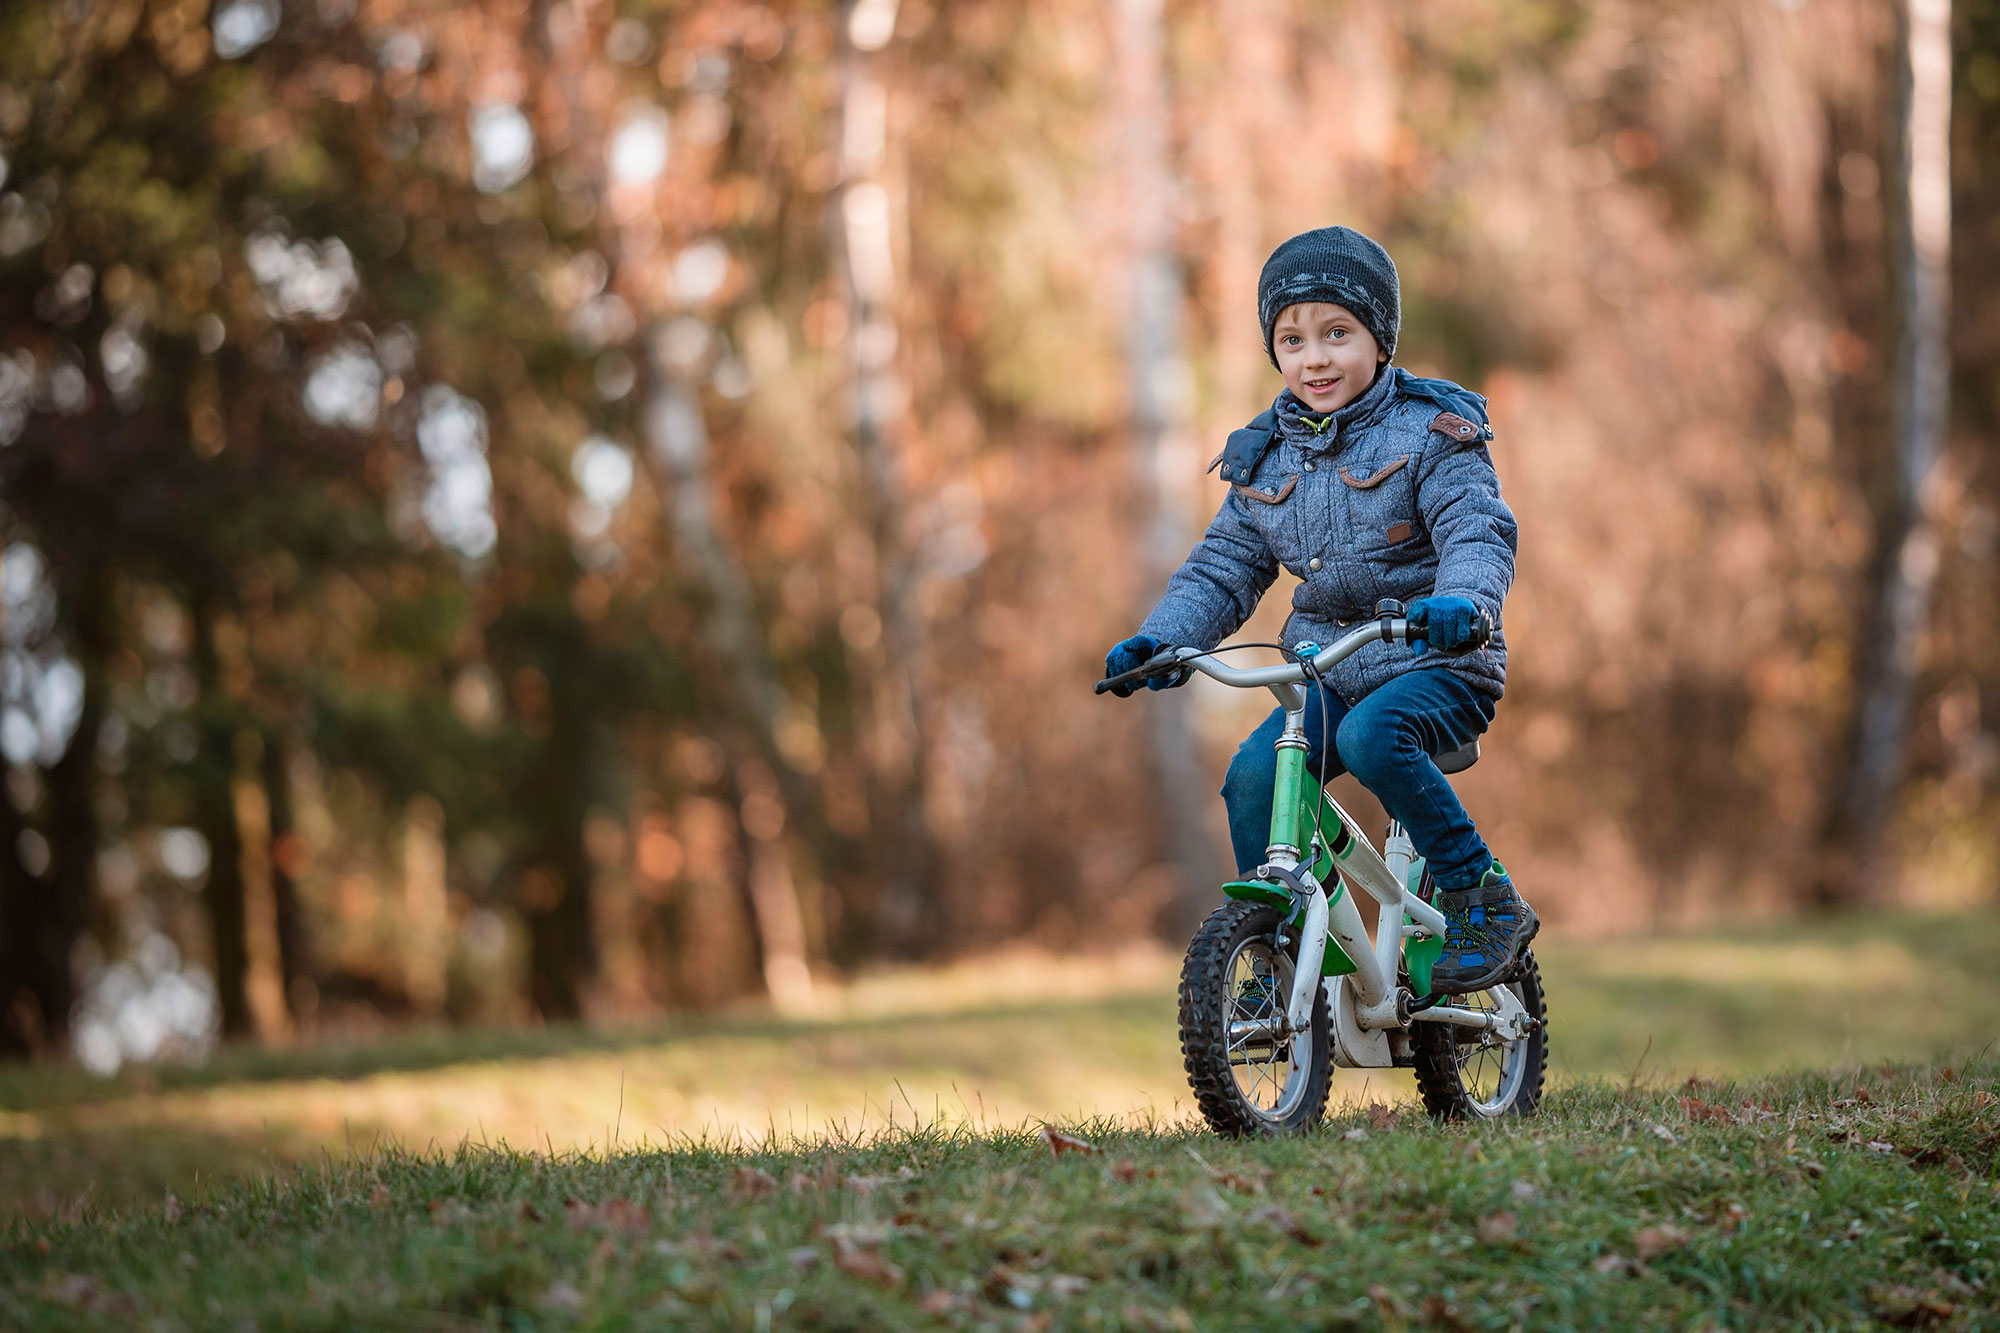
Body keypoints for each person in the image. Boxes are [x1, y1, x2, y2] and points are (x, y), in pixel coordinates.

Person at [1104, 225, 1535, 995]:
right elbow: (1224, 567)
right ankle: (1277, 950)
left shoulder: (1433, 432)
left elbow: (1477, 527)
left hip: (1438, 658)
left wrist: (1465, 602)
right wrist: (1161, 640)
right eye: (1293, 339)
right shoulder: (1264, 456)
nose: (1317, 358)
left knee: (1376, 734)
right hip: (1329, 670)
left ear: (1380, 338)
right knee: (1254, 775)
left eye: (1338, 332)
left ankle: (1481, 894)